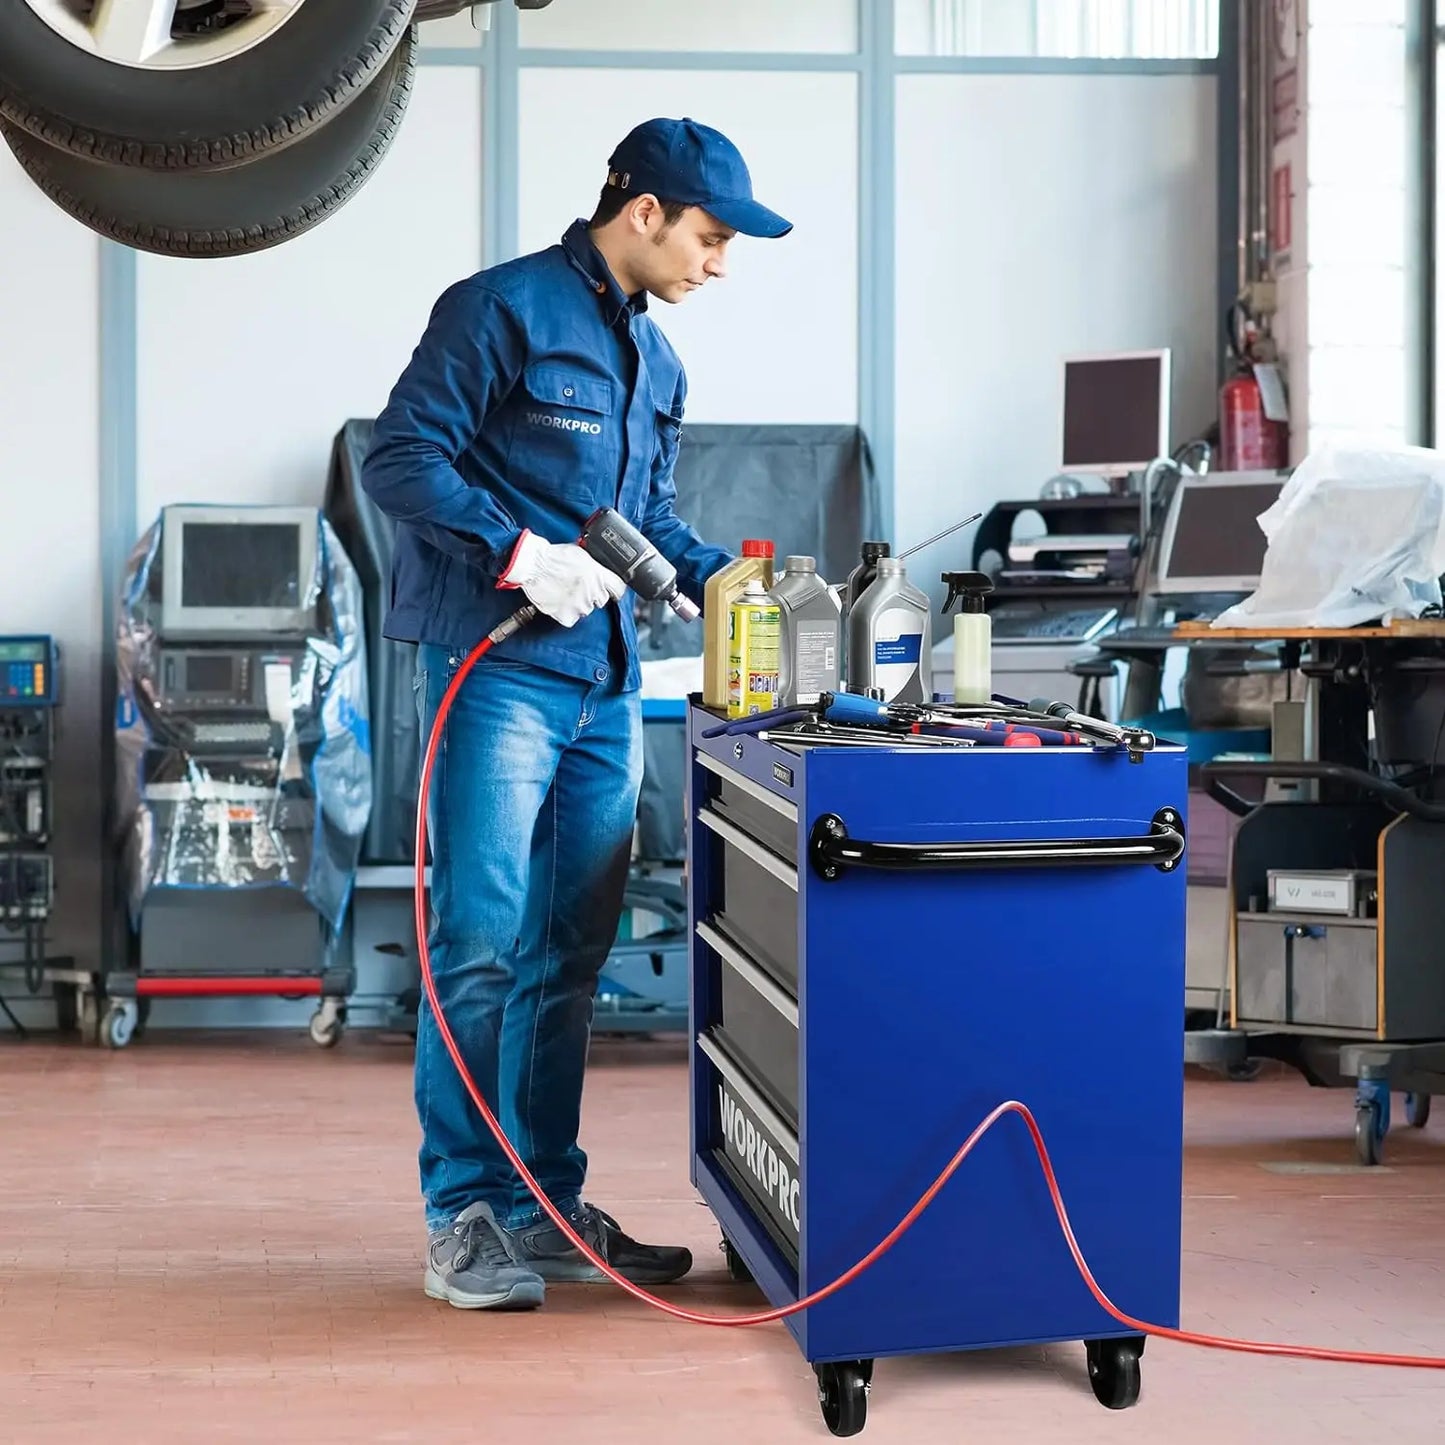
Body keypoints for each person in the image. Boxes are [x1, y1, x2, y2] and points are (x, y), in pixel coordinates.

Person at [360, 117, 793, 1311]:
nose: (719, 262)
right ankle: (460, 1215)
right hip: (491, 670)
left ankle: (541, 1202)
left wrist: (747, 587)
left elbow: (649, 519)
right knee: (481, 948)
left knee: (569, 960)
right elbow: (400, 458)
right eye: (709, 236)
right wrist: (514, 552)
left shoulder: (661, 367)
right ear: (642, 212)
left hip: (602, 683)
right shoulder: (497, 310)